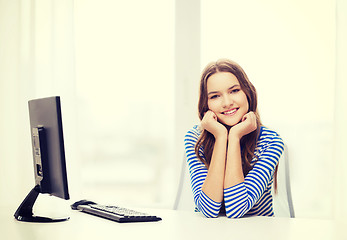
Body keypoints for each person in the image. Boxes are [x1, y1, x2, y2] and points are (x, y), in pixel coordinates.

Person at [184, 59, 284, 218]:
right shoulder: (195, 138)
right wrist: (221, 136)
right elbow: (208, 210)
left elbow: (236, 209)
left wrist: (235, 137)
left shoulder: (270, 142)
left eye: (234, 91)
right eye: (215, 96)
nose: (227, 102)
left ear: (248, 93)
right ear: (206, 104)